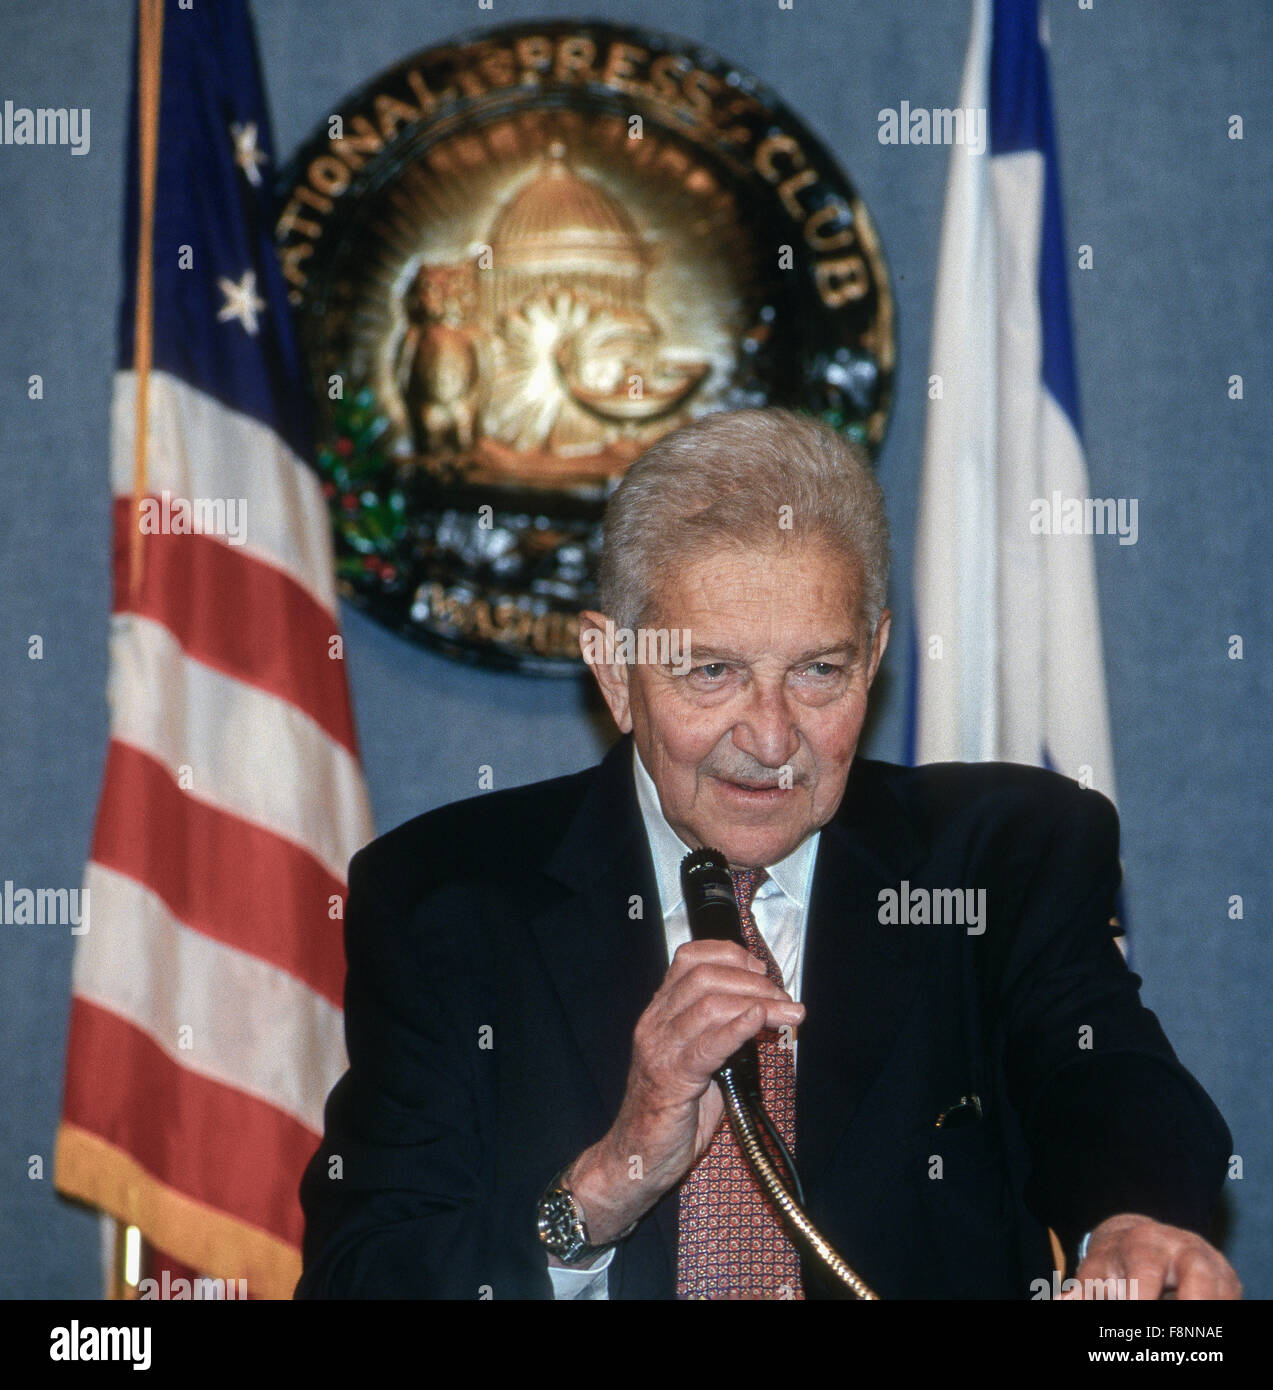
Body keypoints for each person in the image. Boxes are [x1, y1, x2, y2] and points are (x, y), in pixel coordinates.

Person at [296, 408, 1238, 1300]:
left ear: (872, 657)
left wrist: (1130, 1219)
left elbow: (1103, 1077)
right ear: (615, 672)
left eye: (818, 671)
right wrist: (610, 1178)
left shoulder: (996, 857)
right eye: (712, 671)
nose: (772, 736)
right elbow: (363, 1276)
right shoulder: (446, 901)